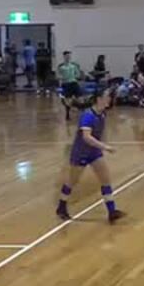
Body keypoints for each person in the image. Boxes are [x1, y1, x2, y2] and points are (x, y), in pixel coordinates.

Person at [56, 88, 125, 224]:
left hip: (94, 152)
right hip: (81, 152)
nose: (109, 99)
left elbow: (99, 134)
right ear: (99, 99)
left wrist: (103, 144)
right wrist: (105, 147)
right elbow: (86, 137)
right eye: (107, 96)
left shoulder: (102, 114)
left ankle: (112, 212)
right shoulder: (88, 116)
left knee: (105, 179)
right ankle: (61, 206)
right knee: (72, 181)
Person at [57, 51, 84, 121]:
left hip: (74, 83)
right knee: (67, 101)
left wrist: (74, 77)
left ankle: (82, 114)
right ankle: (67, 114)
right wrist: (62, 79)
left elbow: (78, 74)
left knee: (80, 99)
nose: (68, 57)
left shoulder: (73, 66)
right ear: (64, 56)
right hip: (66, 84)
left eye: (69, 56)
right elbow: (58, 75)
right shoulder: (61, 66)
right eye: (67, 56)